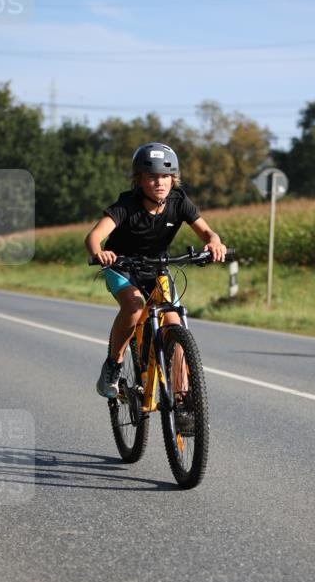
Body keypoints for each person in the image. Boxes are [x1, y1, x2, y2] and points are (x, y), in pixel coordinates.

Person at [85, 142, 227, 398]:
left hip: (157, 268)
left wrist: (214, 243)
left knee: (175, 323)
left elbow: (207, 232)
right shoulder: (127, 204)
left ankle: (182, 399)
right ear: (139, 180)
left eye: (165, 176)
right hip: (122, 267)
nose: (159, 182)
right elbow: (94, 237)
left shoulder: (179, 201)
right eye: (151, 177)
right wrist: (100, 253)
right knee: (134, 306)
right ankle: (113, 366)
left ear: (173, 179)